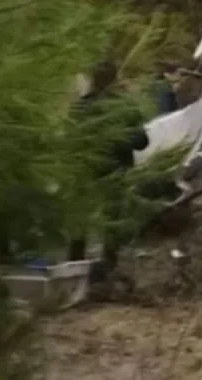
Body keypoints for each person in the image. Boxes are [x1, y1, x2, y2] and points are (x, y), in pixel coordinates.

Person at [67, 61, 149, 273]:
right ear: (115, 79)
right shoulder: (126, 107)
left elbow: (69, 141)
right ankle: (108, 266)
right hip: (115, 170)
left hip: (84, 169)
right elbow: (142, 142)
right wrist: (120, 140)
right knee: (113, 217)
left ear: (92, 79)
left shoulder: (80, 107)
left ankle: (74, 263)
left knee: (79, 217)